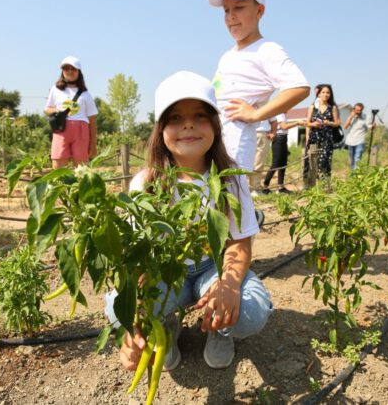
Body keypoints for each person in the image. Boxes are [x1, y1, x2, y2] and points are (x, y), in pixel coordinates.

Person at [105, 71, 273, 371]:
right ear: (160, 129)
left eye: (200, 115)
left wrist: (230, 285)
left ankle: (222, 329)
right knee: (119, 308)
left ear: (215, 125)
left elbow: (239, 241)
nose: (188, 124)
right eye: (174, 118)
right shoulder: (145, 183)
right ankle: (165, 327)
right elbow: (138, 257)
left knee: (249, 312)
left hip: (214, 265)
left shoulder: (229, 178)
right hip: (167, 271)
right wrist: (137, 317)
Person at [208, 0, 309, 174]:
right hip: (215, 137)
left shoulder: (267, 49)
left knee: (231, 196)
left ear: (259, 10)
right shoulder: (227, 55)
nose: (231, 16)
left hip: (235, 141)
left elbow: (299, 87)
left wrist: (256, 114)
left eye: (239, 8)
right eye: (226, 10)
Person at [44, 56, 98, 169]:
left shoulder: (85, 94)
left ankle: (78, 187)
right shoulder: (55, 89)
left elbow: (92, 120)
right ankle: (60, 187)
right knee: (58, 166)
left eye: (73, 69)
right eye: (66, 68)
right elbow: (47, 108)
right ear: (62, 71)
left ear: (79, 72)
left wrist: (93, 144)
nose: (69, 71)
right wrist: (56, 110)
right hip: (61, 129)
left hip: (81, 131)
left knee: (81, 169)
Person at [303, 84, 341, 189]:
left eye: (328, 92)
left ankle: (325, 186)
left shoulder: (332, 107)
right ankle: (311, 186)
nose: (325, 94)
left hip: (327, 139)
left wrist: (329, 123)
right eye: (323, 92)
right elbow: (307, 123)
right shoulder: (312, 107)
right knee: (312, 162)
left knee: (325, 162)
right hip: (314, 138)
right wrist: (313, 125)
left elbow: (337, 123)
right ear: (318, 94)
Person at [261, 113, 300, 193]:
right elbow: (283, 126)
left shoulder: (284, 115)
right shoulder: (279, 114)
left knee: (283, 163)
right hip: (278, 139)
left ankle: (280, 187)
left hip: (283, 139)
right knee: (275, 164)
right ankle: (265, 186)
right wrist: (297, 123)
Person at [249, 117, 276, 196]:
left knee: (258, 162)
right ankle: (253, 188)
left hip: (261, 133)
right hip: (249, 132)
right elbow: (274, 120)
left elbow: (273, 120)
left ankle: (254, 187)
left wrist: (273, 132)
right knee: (250, 161)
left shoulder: (265, 104)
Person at [343, 102, 373, 170]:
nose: (358, 112)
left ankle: (356, 175)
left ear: (362, 109)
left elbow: (370, 127)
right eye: (357, 110)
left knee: (357, 158)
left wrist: (373, 126)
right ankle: (353, 174)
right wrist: (351, 117)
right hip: (350, 141)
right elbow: (345, 127)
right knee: (352, 160)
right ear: (354, 109)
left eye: (360, 110)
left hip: (360, 141)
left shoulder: (365, 117)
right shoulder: (350, 117)